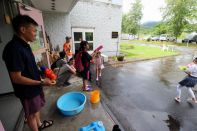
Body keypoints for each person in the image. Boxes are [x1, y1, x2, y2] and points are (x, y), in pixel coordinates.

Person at [2, 15, 54, 131]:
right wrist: (41, 81)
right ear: (23, 30)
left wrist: (42, 71)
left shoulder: (25, 45)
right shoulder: (14, 49)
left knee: (36, 109)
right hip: (27, 91)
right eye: (34, 30)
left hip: (35, 87)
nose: (36, 33)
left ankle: (40, 125)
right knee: (30, 114)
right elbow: (16, 78)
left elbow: (28, 66)